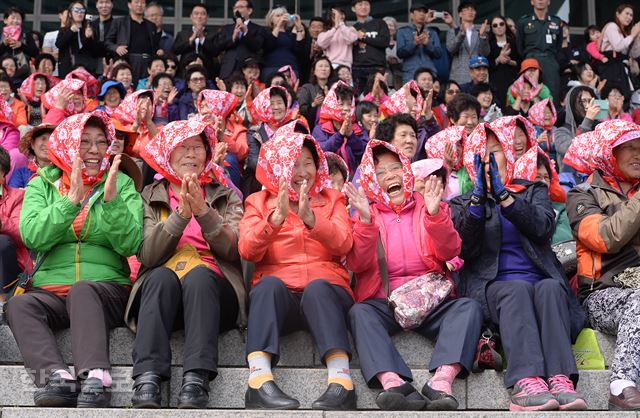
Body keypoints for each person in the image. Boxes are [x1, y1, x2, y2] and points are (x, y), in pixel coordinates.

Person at [6, 111, 143, 408]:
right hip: (51, 290)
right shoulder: (41, 184)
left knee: (83, 289)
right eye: (85, 142)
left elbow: (131, 242)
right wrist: (70, 202)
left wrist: (111, 203)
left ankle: (96, 377)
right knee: (19, 304)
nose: (94, 150)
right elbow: (32, 235)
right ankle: (55, 377)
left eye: (100, 142)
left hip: (107, 289)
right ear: (68, 145)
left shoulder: (121, 183)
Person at [449, 121, 587, 411]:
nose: (489, 160)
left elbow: (543, 227)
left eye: (495, 152)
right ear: (472, 162)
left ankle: (560, 378)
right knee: (516, 290)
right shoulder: (462, 203)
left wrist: (506, 198)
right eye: (482, 154)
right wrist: (478, 202)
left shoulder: (531, 190)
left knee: (551, 287)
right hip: (494, 287)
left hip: (539, 280)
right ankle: (526, 380)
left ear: (508, 154)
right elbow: (464, 248)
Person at [346, 139, 482, 411]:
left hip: (430, 299)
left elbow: (450, 250)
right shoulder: (366, 213)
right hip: (386, 301)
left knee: (468, 307)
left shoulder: (430, 205)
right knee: (359, 313)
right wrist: (364, 224)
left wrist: (434, 216)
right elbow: (358, 264)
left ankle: (442, 379)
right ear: (373, 179)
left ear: (406, 171)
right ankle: (392, 381)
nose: (390, 176)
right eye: (381, 172)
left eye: (395, 167)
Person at [125, 119, 244, 409]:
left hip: (213, 295)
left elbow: (233, 249)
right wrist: (180, 214)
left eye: (197, 147)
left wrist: (203, 212)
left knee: (200, 277)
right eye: (182, 147)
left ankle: (196, 378)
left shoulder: (226, 195)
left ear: (207, 154)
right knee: (160, 277)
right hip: (161, 294)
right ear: (168, 154)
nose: (191, 154)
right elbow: (148, 255)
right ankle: (148, 377)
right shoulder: (149, 197)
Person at [239, 128, 355, 410]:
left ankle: (342, 381)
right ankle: (258, 380)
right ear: (279, 166)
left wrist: (314, 221)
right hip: (282, 298)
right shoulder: (259, 201)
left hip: (326, 292)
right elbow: (247, 249)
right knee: (266, 286)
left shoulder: (332, 199)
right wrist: (274, 221)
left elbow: (344, 244)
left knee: (317, 288)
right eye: (294, 163)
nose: (303, 171)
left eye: (308, 163)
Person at [566, 120, 640, 411]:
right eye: (629, 148)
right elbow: (606, 237)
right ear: (610, 154)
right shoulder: (582, 194)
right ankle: (621, 383)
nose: (638, 155)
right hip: (601, 293)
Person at [243, 86, 296, 197]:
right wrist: (277, 172)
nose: (276, 107)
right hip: (262, 179)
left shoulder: (295, 127)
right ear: (263, 107)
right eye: (271, 104)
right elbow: (254, 161)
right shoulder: (254, 132)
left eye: (279, 103)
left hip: (291, 175)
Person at [313, 82, 367, 175]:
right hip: (328, 180)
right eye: (341, 104)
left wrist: (351, 135)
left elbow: (366, 155)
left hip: (353, 180)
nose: (346, 108)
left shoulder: (359, 129)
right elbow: (321, 153)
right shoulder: (320, 129)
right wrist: (340, 134)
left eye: (349, 104)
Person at [516, 0, 563, 106]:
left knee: (552, 93)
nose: (540, 1)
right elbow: (519, 46)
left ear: (549, 2)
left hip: (550, 61)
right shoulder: (524, 21)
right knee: (528, 92)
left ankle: (551, 120)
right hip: (530, 61)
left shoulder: (556, 21)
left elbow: (559, 46)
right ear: (532, 2)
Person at [105, 0, 160, 85]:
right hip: (128, 61)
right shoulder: (119, 22)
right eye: (137, 2)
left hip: (148, 63)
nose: (140, 5)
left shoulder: (151, 25)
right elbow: (107, 42)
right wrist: (116, 48)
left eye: (142, 2)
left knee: (146, 89)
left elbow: (155, 46)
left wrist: (159, 50)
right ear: (129, 5)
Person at [0, 145, 28, 307]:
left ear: (3, 173)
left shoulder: (18, 196)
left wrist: (2, 222)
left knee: (2, 241)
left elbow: (23, 233)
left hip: (10, 264)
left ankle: (2, 300)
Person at [213, 0, 264, 80]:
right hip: (229, 70)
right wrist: (233, 37)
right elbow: (217, 47)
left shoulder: (258, 29)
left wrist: (246, 32)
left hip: (248, 70)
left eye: (240, 7)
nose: (236, 10)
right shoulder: (227, 28)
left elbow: (257, 46)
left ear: (249, 11)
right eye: (235, 8)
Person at [555, 85, 600, 173]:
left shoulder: (598, 129)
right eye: (583, 101)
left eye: (591, 101)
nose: (588, 106)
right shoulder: (560, 132)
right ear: (572, 104)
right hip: (572, 184)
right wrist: (588, 121)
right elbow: (575, 150)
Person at [351, 0, 390, 94]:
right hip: (357, 69)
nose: (363, 7)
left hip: (377, 68)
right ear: (353, 8)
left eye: (366, 4)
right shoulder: (352, 28)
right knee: (358, 99)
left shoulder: (380, 23)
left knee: (378, 98)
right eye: (360, 4)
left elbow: (385, 42)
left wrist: (364, 37)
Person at [396, 4, 442, 84]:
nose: (422, 14)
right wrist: (414, 43)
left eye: (424, 12)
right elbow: (400, 53)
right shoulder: (402, 31)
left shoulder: (432, 32)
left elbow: (438, 54)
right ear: (411, 15)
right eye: (419, 11)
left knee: (429, 96)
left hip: (429, 73)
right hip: (410, 73)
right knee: (411, 96)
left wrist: (427, 44)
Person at [446, 2, 490, 85]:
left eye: (472, 10)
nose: (470, 12)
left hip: (477, 74)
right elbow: (451, 49)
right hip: (458, 75)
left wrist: (482, 36)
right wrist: (461, 34)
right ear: (460, 14)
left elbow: (485, 53)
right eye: (466, 10)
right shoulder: (453, 31)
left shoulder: (479, 32)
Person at [56, 2, 100, 77]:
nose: (79, 13)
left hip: (86, 70)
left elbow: (95, 51)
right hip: (68, 69)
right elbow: (59, 44)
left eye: (82, 11)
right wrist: (71, 31)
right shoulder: (64, 30)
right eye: (76, 10)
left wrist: (88, 38)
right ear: (70, 14)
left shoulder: (89, 30)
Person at [262, 6, 306, 83]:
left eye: (283, 15)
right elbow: (268, 45)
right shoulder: (266, 32)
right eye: (278, 16)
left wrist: (298, 27)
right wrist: (278, 26)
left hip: (291, 69)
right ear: (271, 19)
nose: (281, 18)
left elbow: (299, 50)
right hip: (272, 68)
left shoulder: (290, 34)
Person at [172, 4, 216, 78]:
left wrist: (202, 38)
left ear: (207, 17)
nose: (199, 16)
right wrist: (191, 39)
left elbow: (215, 51)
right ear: (191, 16)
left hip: (207, 72)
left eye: (202, 14)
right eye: (196, 13)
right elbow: (175, 50)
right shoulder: (182, 34)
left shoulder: (213, 33)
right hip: (185, 72)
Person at [8, 123, 55, 188]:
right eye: (43, 139)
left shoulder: (62, 173)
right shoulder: (21, 173)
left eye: (51, 140)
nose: (47, 144)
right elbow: (13, 195)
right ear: (32, 144)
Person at [488, 15, 520, 107]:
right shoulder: (489, 45)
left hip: (513, 81)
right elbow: (487, 66)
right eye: (495, 25)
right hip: (496, 83)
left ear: (505, 26)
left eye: (501, 24)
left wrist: (510, 62)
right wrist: (498, 59)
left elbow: (521, 62)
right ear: (492, 29)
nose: (499, 27)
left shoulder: (514, 42)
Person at [0, 7, 40, 80]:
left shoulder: (26, 35)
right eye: (13, 18)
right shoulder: (0, 35)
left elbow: (35, 53)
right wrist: (4, 44)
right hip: (2, 75)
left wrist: (21, 45)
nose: (15, 21)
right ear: (5, 20)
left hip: (22, 74)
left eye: (18, 18)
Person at [297, 56, 332, 131]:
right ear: (314, 71)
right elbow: (302, 110)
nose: (323, 69)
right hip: (312, 127)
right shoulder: (307, 88)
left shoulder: (334, 88)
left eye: (326, 66)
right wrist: (314, 104)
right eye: (320, 66)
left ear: (330, 70)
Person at [528, 98, 558, 164]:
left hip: (556, 165)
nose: (548, 115)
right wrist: (537, 141)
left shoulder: (555, 130)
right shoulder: (532, 130)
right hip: (539, 164)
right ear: (537, 115)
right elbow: (527, 151)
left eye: (550, 112)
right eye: (544, 112)